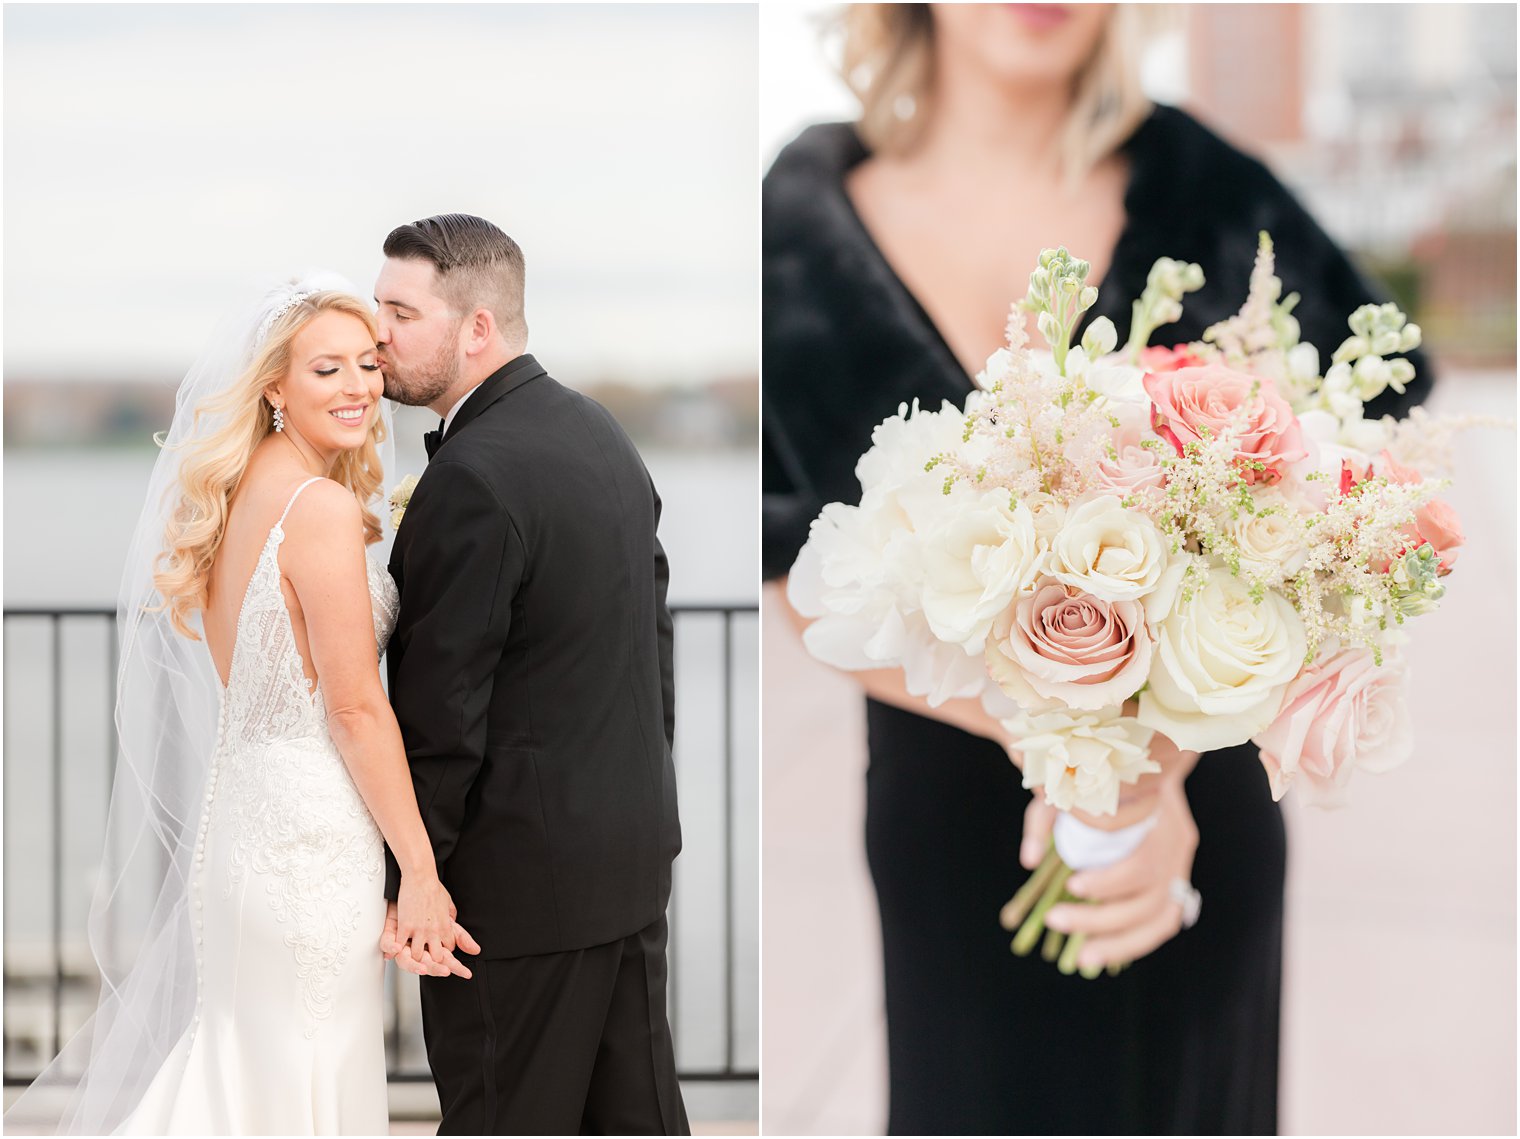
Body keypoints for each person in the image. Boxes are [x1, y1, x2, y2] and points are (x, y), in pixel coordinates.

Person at [762, 5, 1432, 1134]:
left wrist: (1156, 767)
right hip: (953, 801)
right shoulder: (797, 221)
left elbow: (1362, 469)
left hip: (1199, 793)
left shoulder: (1209, 188)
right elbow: (789, 559)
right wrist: (1069, 747)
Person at [6, 277, 480, 1136]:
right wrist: (419, 868)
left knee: (240, 1063)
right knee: (304, 1070)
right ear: (274, 387)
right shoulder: (321, 508)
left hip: (242, 827)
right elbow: (355, 711)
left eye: (367, 365)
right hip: (309, 839)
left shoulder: (236, 497)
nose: (358, 387)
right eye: (326, 368)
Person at [373, 213, 688, 1135]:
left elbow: (443, 711)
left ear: (479, 328)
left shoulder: (470, 475)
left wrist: (414, 877)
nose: (377, 332)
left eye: (401, 310)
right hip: (626, 862)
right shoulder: (600, 432)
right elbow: (651, 654)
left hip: (514, 895)